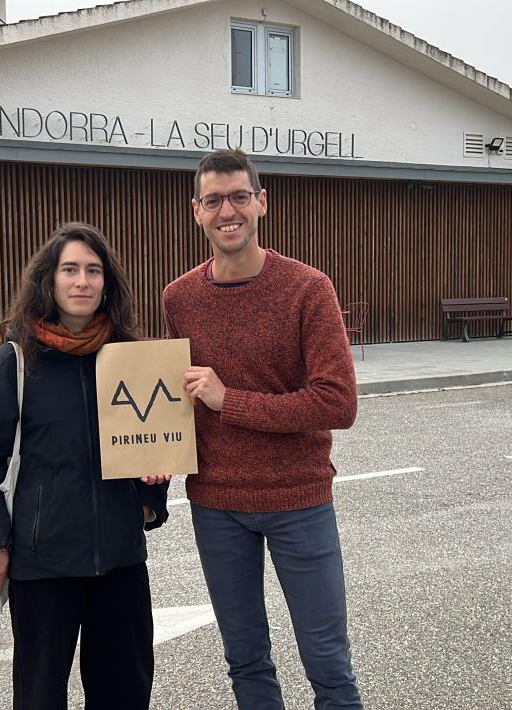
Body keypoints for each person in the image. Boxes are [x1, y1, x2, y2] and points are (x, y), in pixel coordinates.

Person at [161, 148, 362, 709]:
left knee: (328, 662)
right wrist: (155, 449)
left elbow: (338, 403)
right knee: (245, 660)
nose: (229, 211)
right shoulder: (178, 299)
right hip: (216, 505)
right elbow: (184, 397)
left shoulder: (307, 288)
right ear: (196, 211)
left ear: (261, 203)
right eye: (214, 200)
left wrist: (232, 402)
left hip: (300, 499)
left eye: (239, 197)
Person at [0, 222, 169, 710]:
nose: (82, 282)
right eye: (69, 269)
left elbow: (156, 445)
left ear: (106, 284)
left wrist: (149, 500)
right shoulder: (15, 361)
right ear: (48, 281)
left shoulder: (131, 359)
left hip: (120, 560)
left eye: (93, 271)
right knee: (40, 697)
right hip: (42, 563)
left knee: (126, 692)